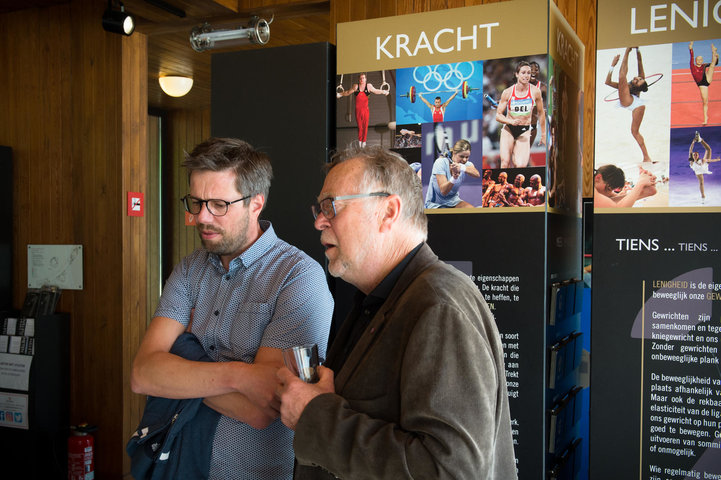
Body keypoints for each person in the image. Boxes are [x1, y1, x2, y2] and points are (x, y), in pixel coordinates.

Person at [276, 144, 517, 480]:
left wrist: (315, 415)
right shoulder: (381, 299)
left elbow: (448, 471)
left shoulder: (439, 305)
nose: (319, 221)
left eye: (331, 206)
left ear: (388, 212)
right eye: (319, 208)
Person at [130, 138, 334, 479]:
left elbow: (260, 407)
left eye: (219, 205)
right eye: (196, 202)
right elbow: (143, 375)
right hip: (176, 461)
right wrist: (240, 374)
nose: (202, 217)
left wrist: (180, 358)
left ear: (256, 203)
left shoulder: (298, 277)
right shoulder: (189, 268)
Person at [605, 47, 652, 163]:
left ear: (637, 87)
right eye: (638, 78)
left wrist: (627, 51)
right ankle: (646, 156)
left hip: (636, 105)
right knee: (634, 132)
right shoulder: (629, 86)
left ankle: (646, 156)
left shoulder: (626, 86)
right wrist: (637, 50)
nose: (636, 78)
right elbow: (607, 82)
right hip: (630, 99)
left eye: (638, 80)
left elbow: (622, 74)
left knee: (634, 131)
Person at [496, 61, 546, 168]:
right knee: (504, 162)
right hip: (509, 129)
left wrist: (544, 133)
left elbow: (541, 113)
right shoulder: (508, 92)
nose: (526, 75)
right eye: (523, 73)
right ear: (517, 74)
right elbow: (498, 115)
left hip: (525, 130)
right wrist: (510, 121)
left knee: (520, 165)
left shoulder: (535, 92)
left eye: (528, 73)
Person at [424, 139, 481, 208]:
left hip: (454, 201)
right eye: (462, 156)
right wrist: (454, 178)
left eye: (467, 157)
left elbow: (477, 174)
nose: (464, 160)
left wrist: (462, 167)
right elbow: (443, 192)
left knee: (472, 212)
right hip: (435, 204)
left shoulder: (464, 164)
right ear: (454, 153)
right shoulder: (440, 163)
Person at [337, 73, 390, 147]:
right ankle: (360, 141)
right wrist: (340, 94)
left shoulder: (368, 86)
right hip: (358, 110)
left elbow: (376, 91)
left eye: (363, 78)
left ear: (366, 79)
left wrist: (383, 91)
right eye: (361, 78)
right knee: (360, 126)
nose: (362, 79)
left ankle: (364, 141)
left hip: (365, 110)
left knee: (365, 126)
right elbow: (348, 92)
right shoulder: (356, 86)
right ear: (359, 80)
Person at [689, 41, 719, 125]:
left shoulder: (704, 65)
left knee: (712, 65)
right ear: (696, 60)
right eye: (698, 59)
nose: (699, 60)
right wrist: (691, 48)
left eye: (701, 59)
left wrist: (716, 56)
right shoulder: (693, 66)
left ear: (702, 60)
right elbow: (691, 57)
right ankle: (706, 118)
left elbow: (715, 63)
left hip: (707, 79)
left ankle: (714, 51)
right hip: (702, 84)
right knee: (705, 102)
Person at [689, 131, 720, 203]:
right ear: (693, 156)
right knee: (701, 183)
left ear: (698, 156)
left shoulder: (702, 160)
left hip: (704, 167)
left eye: (696, 154)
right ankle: (703, 196)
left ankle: (700, 140)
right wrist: (693, 142)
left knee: (709, 149)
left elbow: (710, 160)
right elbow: (690, 150)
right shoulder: (691, 161)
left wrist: (717, 159)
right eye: (694, 155)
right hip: (698, 171)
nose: (695, 155)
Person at [528, 61, 547, 146]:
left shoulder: (542, 87)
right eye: (531, 69)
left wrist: (546, 108)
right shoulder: (519, 87)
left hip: (535, 124)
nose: (534, 71)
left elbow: (553, 100)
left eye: (536, 69)